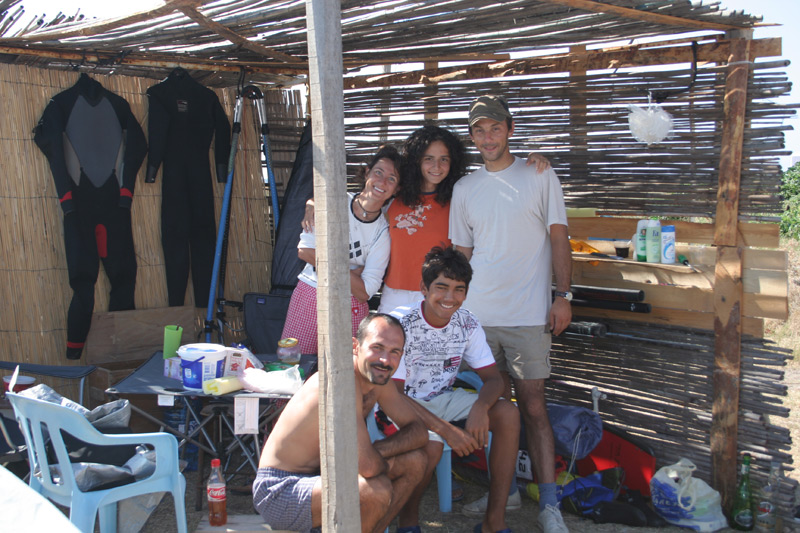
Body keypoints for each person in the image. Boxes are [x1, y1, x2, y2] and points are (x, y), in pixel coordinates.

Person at [449, 95, 572, 533]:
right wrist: (453, 308)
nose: (488, 137)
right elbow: (461, 254)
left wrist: (563, 295)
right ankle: (507, 493)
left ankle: (550, 505)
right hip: (478, 319)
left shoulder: (539, 174)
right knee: (496, 410)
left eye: (495, 128)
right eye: (479, 130)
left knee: (534, 408)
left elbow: (559, 238)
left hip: (528, 316)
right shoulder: (464, 189)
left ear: (510, 129)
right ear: (472, 137)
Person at [302, 125, 550, 314]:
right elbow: (359, 202)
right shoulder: (395, 195)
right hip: (394, 295)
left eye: (444, 159)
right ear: (417, 161)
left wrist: (529, 161)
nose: (436, 166)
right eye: (428, 158)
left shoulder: (459, 197)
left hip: (437, 296)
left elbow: (496, 184)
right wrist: (312, 203)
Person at [254, 313, 429, 533]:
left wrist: (378, 452)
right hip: (280, 489)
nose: (385, 360)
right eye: (377, 348)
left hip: (321, 477)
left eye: (395, 352)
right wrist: (381, 464)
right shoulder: (341, 381)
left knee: (415, 461)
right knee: (374, 489)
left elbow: (419, 431)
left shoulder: (378, 380)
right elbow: (367, 467)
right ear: (355, 346)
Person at [390, 246, 520, 533]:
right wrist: (448, 430)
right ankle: (408, 522)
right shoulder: (401, 323)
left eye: (459, 289)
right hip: (401, 406)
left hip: (443, 399)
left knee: (508, 413)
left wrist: (480, 408)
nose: (450, 297)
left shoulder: (467, 323)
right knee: (433, 444)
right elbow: (394, 395)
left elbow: (494, 379)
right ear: (424, 288)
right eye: (441, 287)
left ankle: (493, 521)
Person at [281, 145, 402, 354]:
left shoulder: (382, 232)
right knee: (294, 361)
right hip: (311, 293)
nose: (382, 182)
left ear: (397, 189)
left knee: (346, 368)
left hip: (351, 305)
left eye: (391, 179)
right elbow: (305, 251)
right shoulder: (333, 203)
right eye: (378, 172)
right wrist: (353, 272)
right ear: (367, 173)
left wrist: (324, 263)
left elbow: (365, 292)